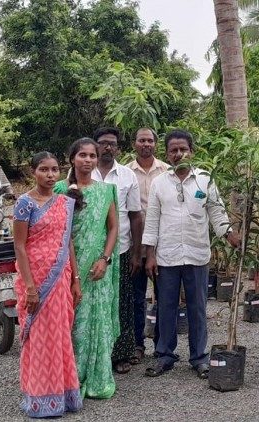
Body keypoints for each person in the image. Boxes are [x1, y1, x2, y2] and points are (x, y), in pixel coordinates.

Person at [142, 129, 240, 378]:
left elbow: (217, 212)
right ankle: (165, 355)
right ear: (167, 154)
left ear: (191, 151)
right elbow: (152, 220)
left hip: (197, 254)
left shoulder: (204, 179)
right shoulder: (159, 183)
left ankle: (199, 357)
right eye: (173, 150)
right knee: (166, 307)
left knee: (197, 307)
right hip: (167, 256)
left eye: (183, 149)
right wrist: (150, 255)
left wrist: (229, 235)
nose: (178, 154)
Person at [13, 152, 83, 418]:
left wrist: (75, 280)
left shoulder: (64, 203)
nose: (50, 175)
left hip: (61, 278)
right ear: (34, 172)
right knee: (40, 337)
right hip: (36, 280)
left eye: (54, 170)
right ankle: (39, 397)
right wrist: (30, 287)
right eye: (44, 169)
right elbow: (19, 246)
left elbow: (68, 243)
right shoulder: (24, 204)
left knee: (60, 336)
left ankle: (63, 394)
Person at [54, 138, 120, 399]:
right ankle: (69, 379)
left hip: (97, 270)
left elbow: (113, 227)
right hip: (67, 269)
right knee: (70, 322)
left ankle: (98, 378)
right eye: (82, 155)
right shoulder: (60, 189)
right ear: (72, 158)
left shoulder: (105, 191)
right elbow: (58, 232)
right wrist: (73, 272)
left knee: (97, 321)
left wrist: (104, 259)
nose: (88, 160)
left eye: (92, 156)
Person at [91, 127, 143, 375]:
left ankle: (121, 354)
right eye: (103, 143)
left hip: (121, 249)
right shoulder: (81, 171)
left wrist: (136, 252)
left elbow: (135, 216)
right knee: (92, 304)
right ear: (95, 146)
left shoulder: (127, 176)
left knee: (121, 303)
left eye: (112, 144)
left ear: (118, 148)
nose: (108, 148)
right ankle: (94, 354)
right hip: (88, 250)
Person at [126, 127, 169, 363]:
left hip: (162, 247)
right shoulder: (125, 172)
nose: (146, 144)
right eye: (141, 140)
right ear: (134, 144)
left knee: (163, 297)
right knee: (136, 297)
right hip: (134, 247)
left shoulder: (167, 171)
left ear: (156, 144)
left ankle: (161, 344)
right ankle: (137, 344)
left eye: (150, 140)